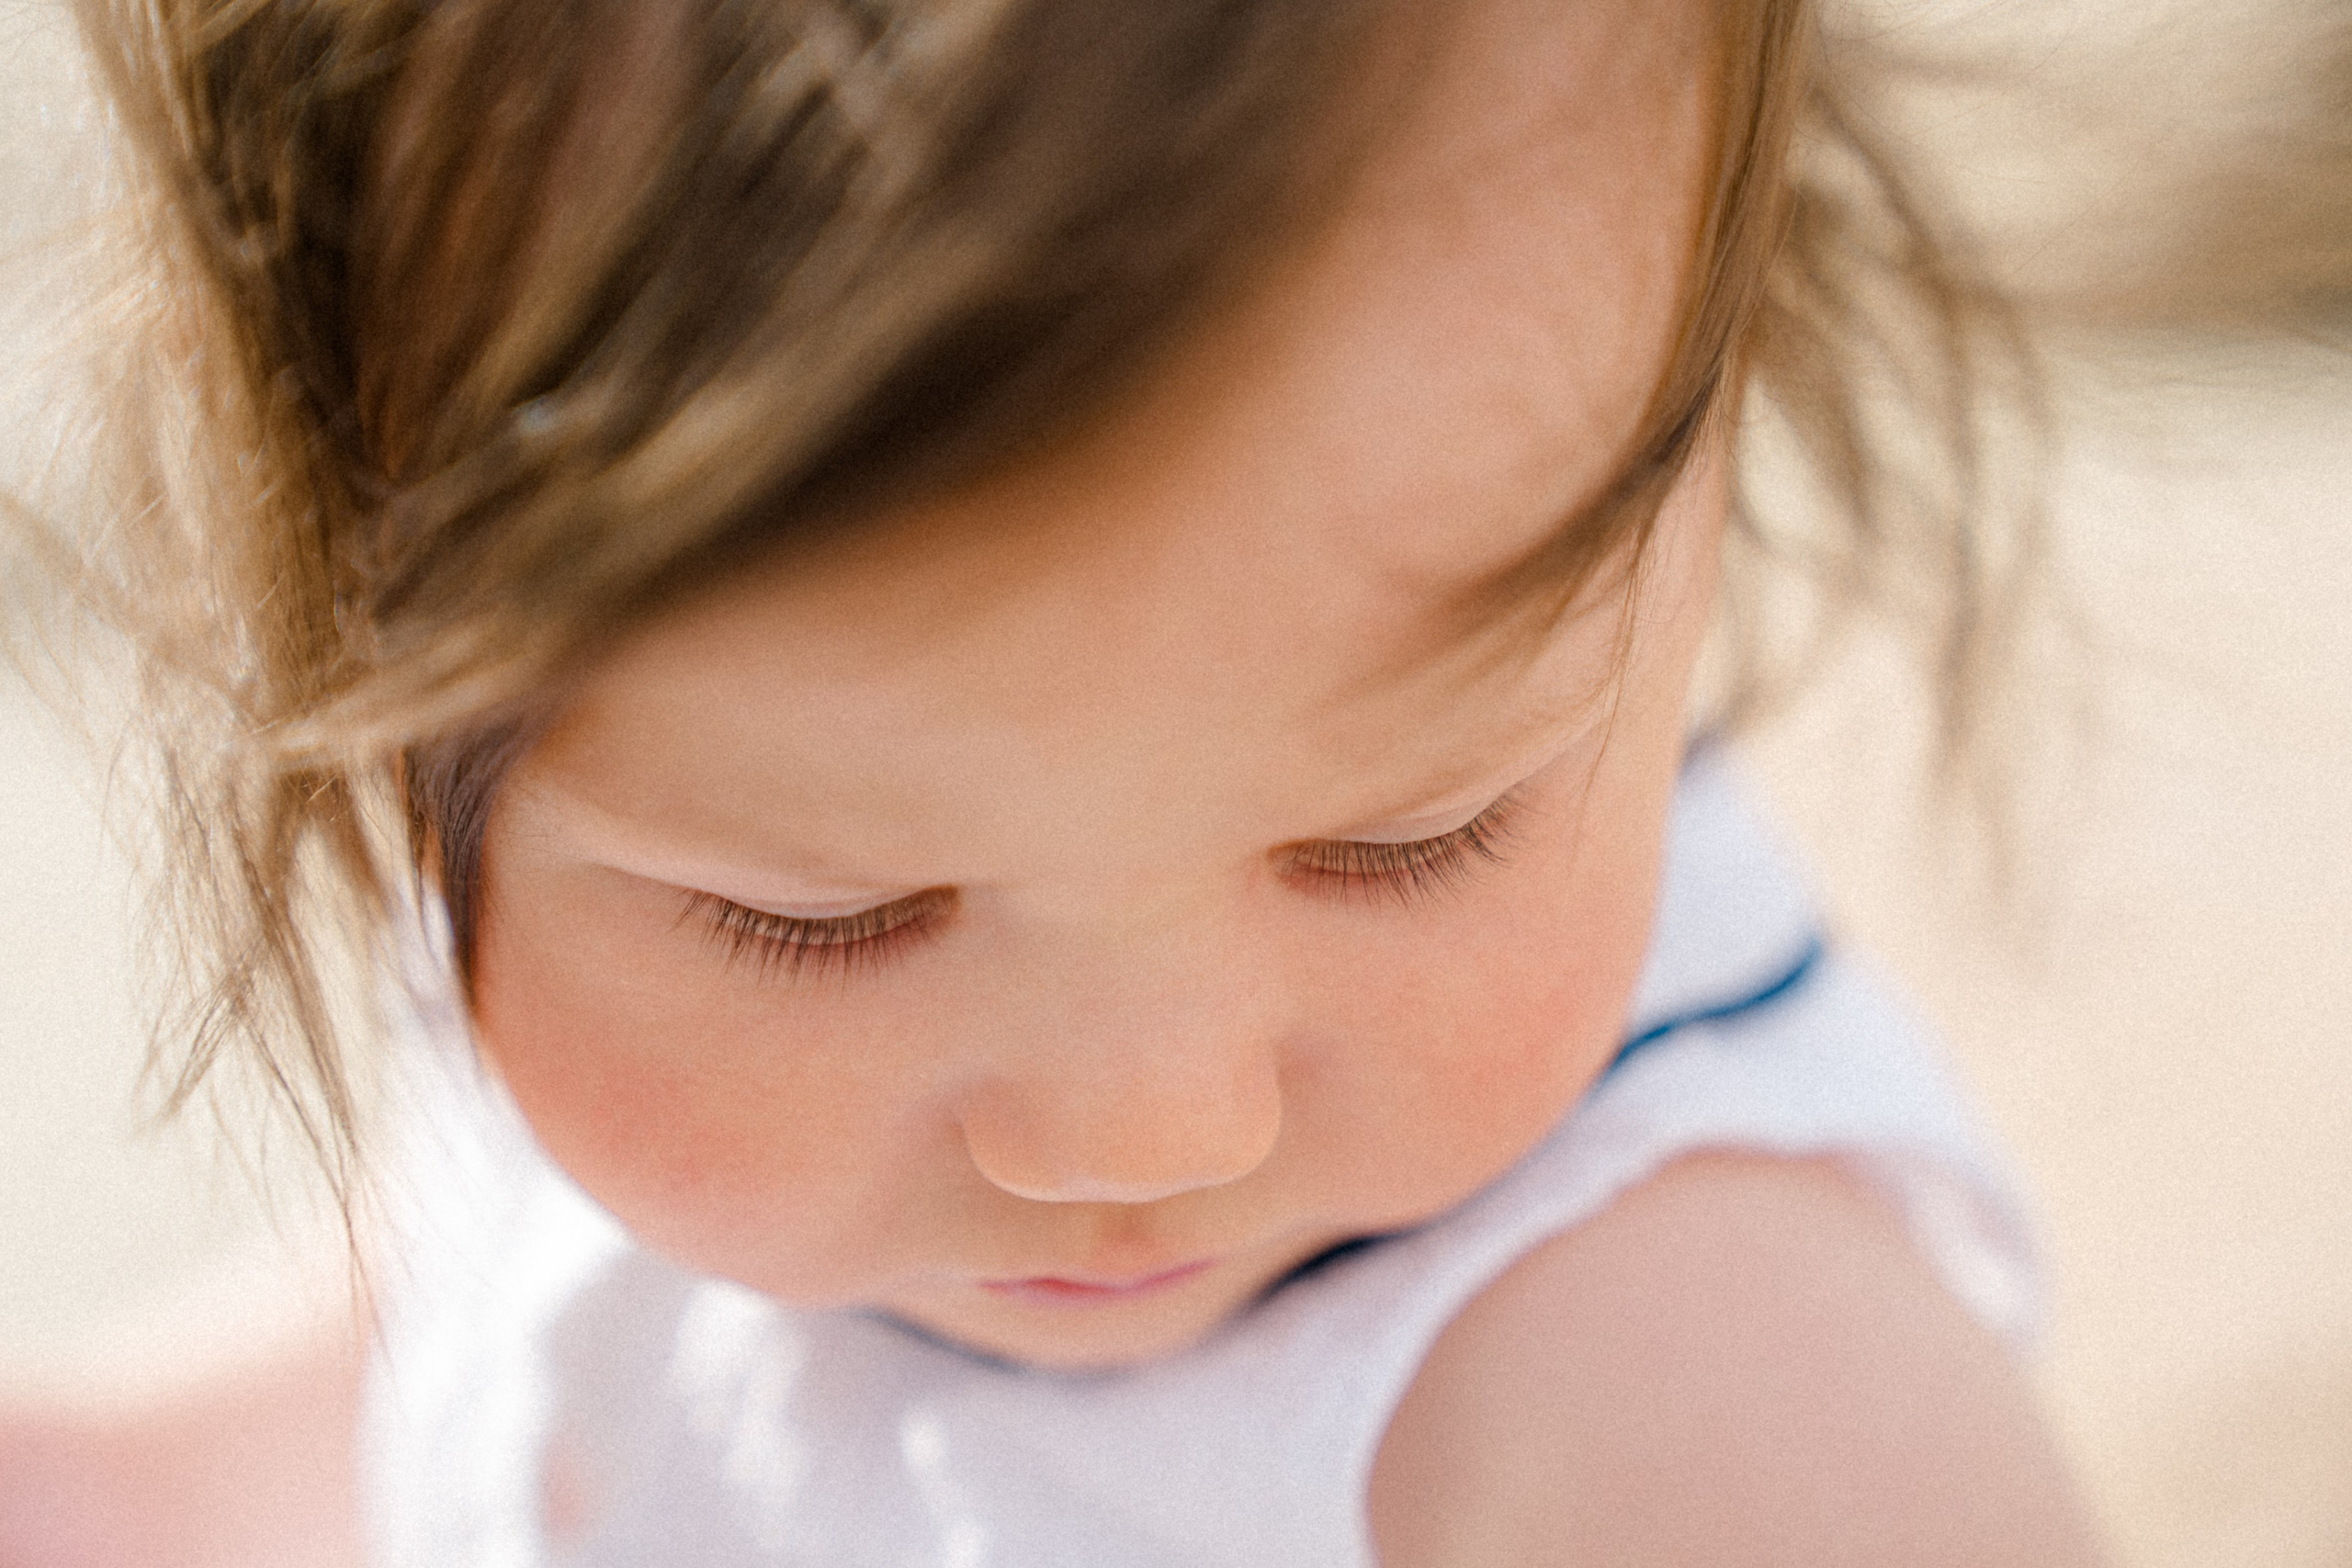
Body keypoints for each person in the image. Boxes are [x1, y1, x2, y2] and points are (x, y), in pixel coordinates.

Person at [4, 0, 2112, 1562]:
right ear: (376, 686)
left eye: (1404, 838)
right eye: (818, 920)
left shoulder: (1698, 1419)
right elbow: (480, 1361)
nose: (1145, 1126)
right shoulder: (581, 973)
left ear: (1703, 469)